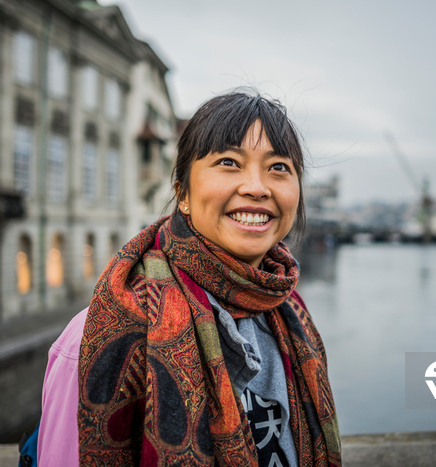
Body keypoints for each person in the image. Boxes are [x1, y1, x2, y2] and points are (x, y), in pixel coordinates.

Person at [37, 91, 341, 466]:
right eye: (229, 162)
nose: (257, 187)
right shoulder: (100, 335)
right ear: (182, 192)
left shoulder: (290, 311)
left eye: (279, 167)